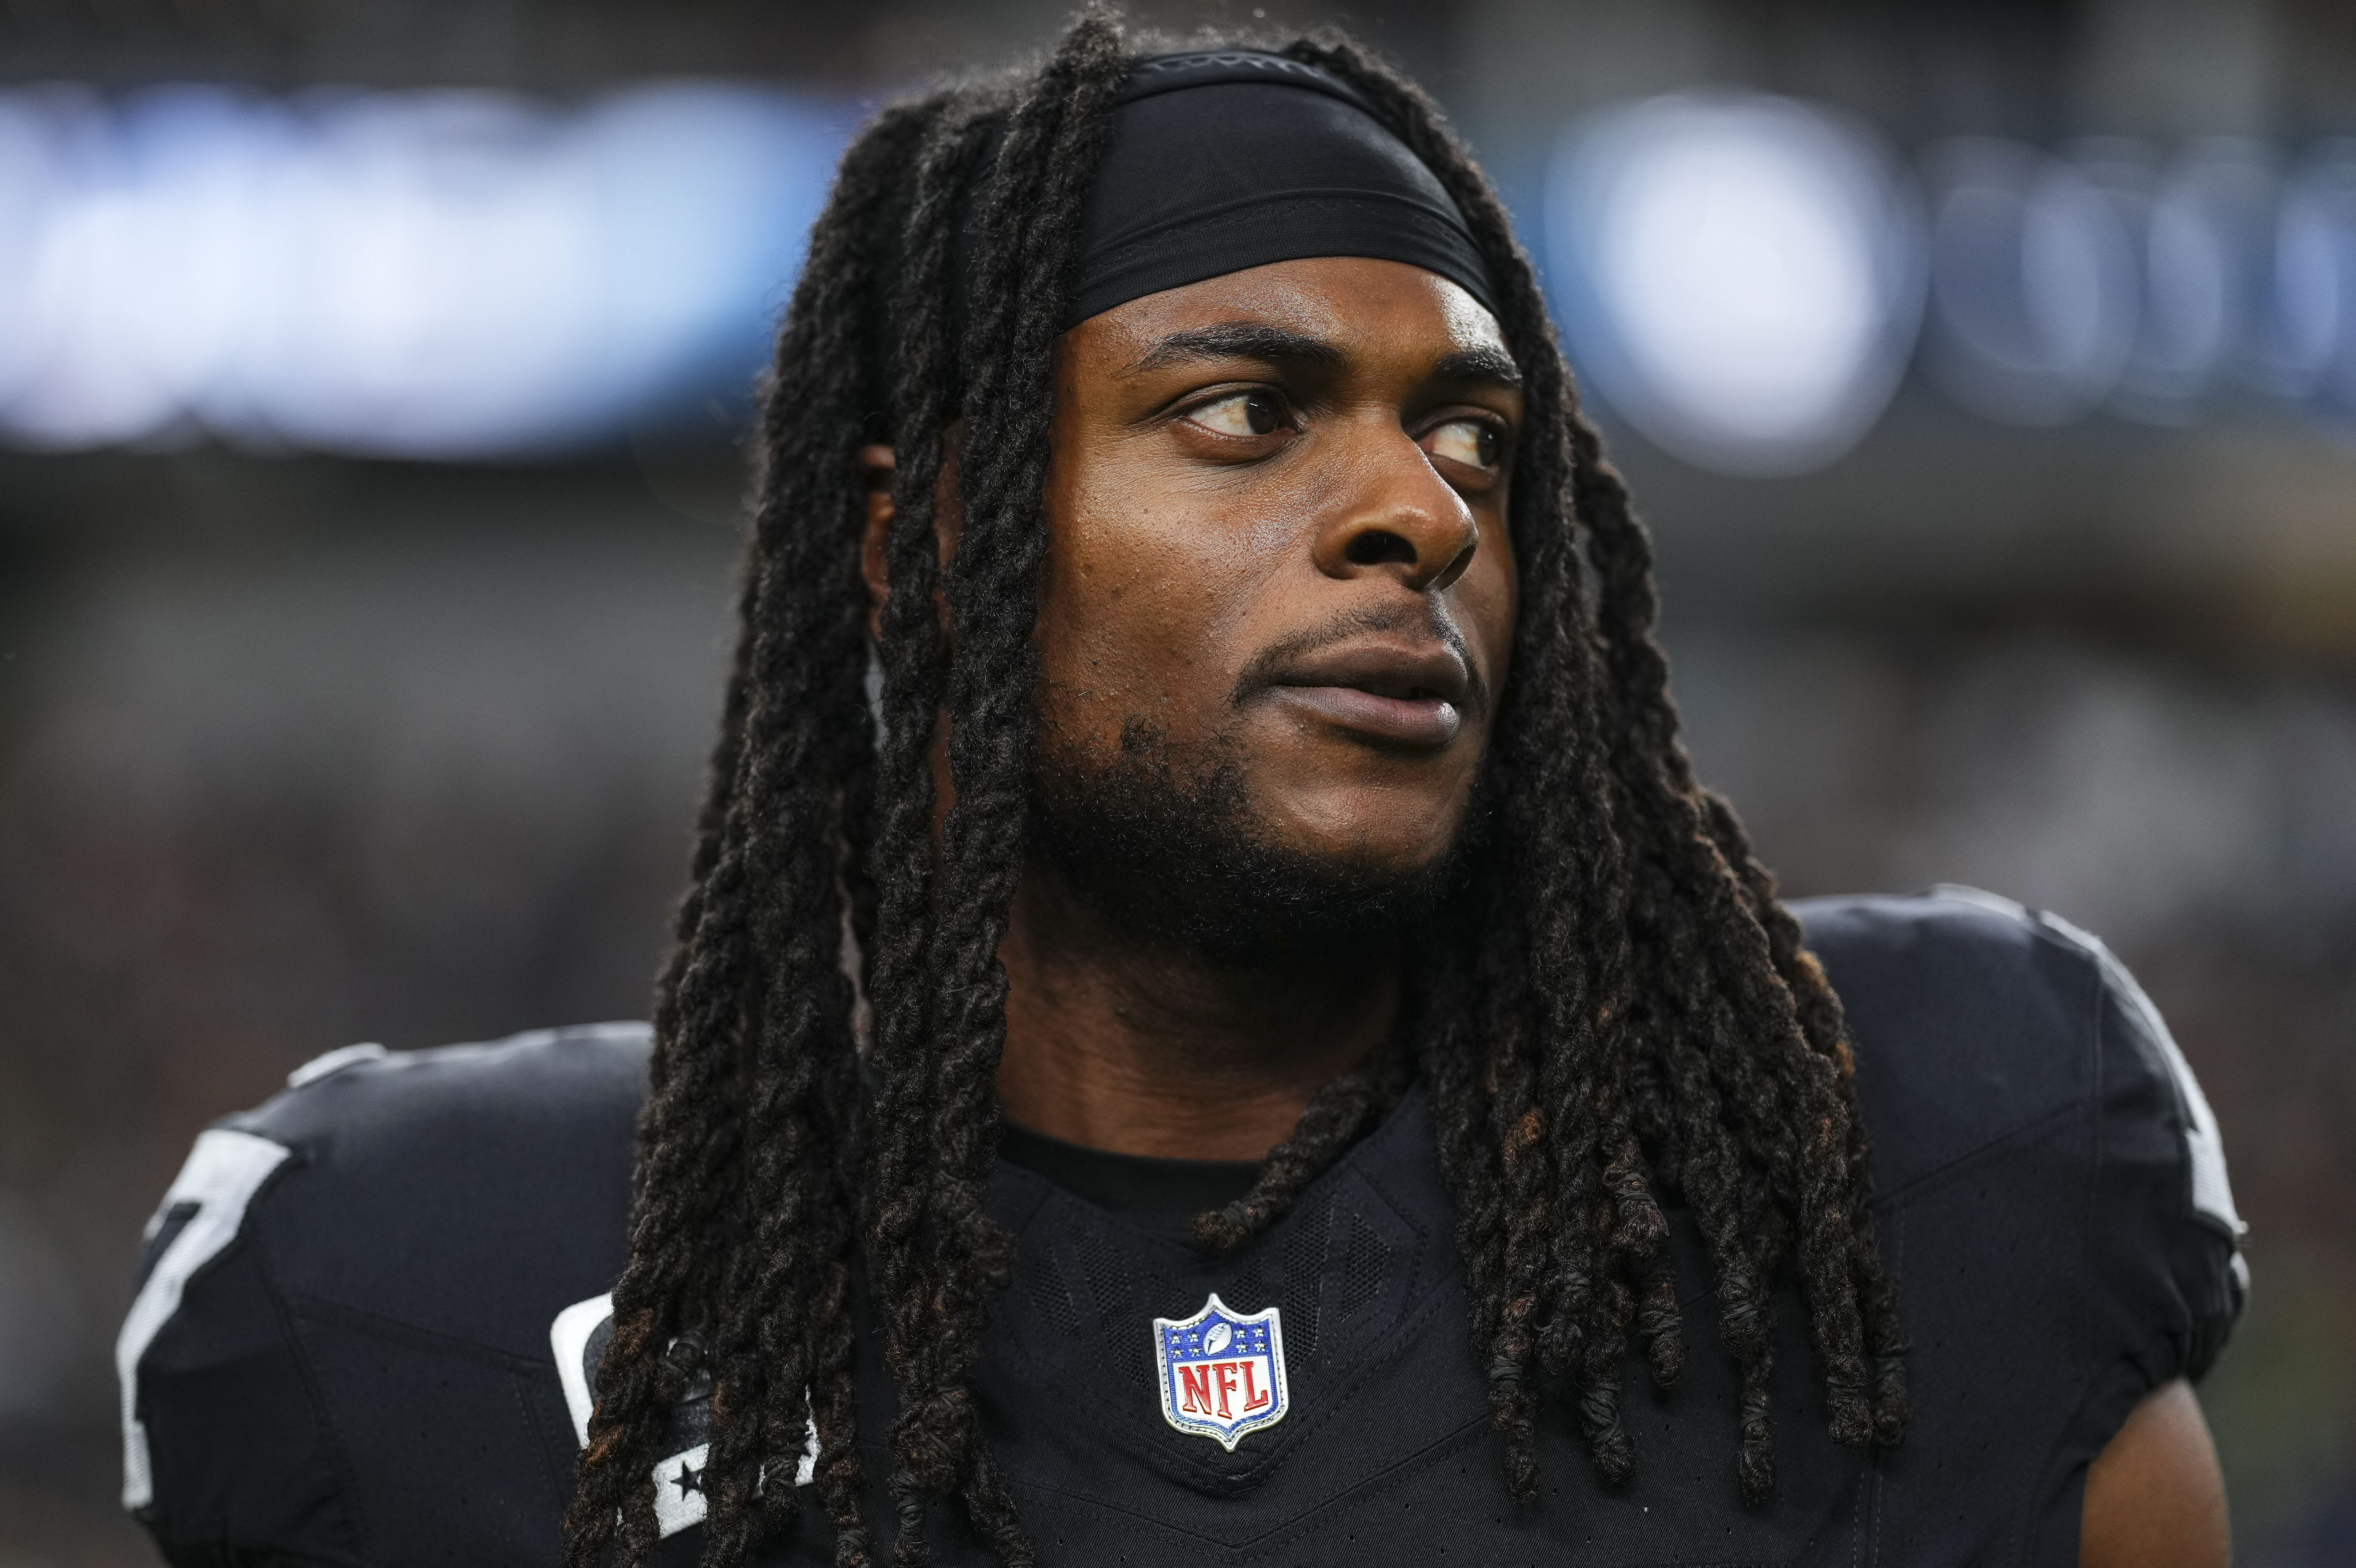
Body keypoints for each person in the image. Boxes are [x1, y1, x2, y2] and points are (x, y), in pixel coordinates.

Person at [116, 15, 2246, 1568]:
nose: (1417, 510)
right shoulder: (418, 1292)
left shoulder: (1933, 1165)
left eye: (1475, 442)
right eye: (1247, 414)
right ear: (918, 544)